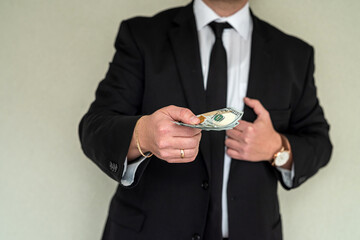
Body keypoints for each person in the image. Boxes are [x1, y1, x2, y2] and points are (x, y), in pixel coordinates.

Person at [79, 0, 332, 239]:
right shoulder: (142, 36)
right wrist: (143, 135)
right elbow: (94, 127)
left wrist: (277, 148)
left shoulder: (294, 55)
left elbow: (319, 143)